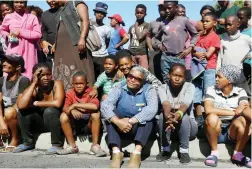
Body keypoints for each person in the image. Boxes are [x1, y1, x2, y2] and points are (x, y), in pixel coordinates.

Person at [101, 66, 158, 168]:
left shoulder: (149, 89)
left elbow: (152, 108)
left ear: (143, 81)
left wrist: (130, 121)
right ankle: (116, 152)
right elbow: (105, 105)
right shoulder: (119, 87)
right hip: (120, 128)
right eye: (130, 76)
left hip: (140, 128)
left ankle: (136, 154)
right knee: (110, 112)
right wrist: (118, 122)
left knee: (149, 117)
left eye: (137, 79)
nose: (132, 80)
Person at [204, 65, 251, 168]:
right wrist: (234, 112)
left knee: (244, 120)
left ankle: (238, 154)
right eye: (216, 76)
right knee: (212, 117)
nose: (216, 79)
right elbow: (208, 109)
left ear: (229, 80)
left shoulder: (240, 91)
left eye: (219, 77)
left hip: (232, 131)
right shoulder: (211, 89)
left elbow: (244, 108)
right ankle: (214, 153)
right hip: (215, 130)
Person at [14, 63, 65, 154]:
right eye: (42, 75)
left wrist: (37, 103)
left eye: (48, 75)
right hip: (41, 123)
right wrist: (34, 83)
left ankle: (56, 145)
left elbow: (57, 103)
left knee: (50, 110)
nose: (46, 78)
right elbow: (21, 105)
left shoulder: (57, 84)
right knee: (22, 112)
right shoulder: (34, 88)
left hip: (55, 123)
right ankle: (28, 142)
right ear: (35, 76)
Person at [57, 71, 106, 157]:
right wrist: (72, 110)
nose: (79, 86)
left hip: (89, 125)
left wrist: (75, 105)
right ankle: (72, 146)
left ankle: (95, 146)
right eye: (76, 84)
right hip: (75, 125)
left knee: (96, 114)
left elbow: (94, 106)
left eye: (81, 83)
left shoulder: (91, 92)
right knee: (63, 116)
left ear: (86, 83)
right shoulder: (70, 93)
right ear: (72, 84)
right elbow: (65, 107)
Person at [158, 63, 198, 164]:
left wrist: (177, 115)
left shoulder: (190, 86)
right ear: (169, 75)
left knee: (183, 115)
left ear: (184, 78)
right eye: (175, 75)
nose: (177, 78)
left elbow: (185, 104)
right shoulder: (162, 88)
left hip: (189, 129)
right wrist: (168, 116)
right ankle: (165, 149)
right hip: (168, 128)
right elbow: (165, 104)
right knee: (163, 115)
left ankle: (184, 151)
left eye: (180, 76)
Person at [53, 0, 95, 91]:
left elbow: (85, 21)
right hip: (61, 46)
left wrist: (82, 38)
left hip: (75, 43)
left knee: (79, 66)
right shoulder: (61, 9)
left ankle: (85, 97)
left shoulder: (77, 3)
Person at [156, 0, 198, 83]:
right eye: (165, 9)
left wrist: (190, 47)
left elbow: (195, 34)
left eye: (169, 8)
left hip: (179, 57)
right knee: (166, 80)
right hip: (165, 58)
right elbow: (156, 38)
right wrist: (159, 45)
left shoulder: (184, 20)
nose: (167, 10)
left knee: (179, 82)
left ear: (176, 8)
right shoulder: (163, 23)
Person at [0, 0, 42, 79]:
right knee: (11, 74)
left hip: (30, 50)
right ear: (13, 3)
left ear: (25, 3)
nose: (19, 4)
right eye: (16, 2)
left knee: (29, 76)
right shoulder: (8, 17)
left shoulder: (32, 17)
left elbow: (38, 34)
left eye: (21, 2)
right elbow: (2, 30)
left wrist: (20, 32)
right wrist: (7, 35)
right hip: (14, 49)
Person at [192, 13, 220, 126]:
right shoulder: (199, 36)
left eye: (207, 21)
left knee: (208, 94)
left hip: (209, 68)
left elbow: (208, 55)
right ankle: (199, 119)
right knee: (196, 92)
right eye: (203, 21)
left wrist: (197, 52)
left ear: (215, 22)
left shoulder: (215, 37)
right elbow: (193, 50)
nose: (204, 23)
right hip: (197, 68)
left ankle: (208, 119)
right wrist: (196, 52)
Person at [0, 54, 29, 152]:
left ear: (18, 67)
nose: (4, 63)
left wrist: (4, 120)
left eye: (8, 62)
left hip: (16, 115)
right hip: (3, 115)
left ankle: (16, 138)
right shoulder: (1, 80)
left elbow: (19, 104)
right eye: (4, 61)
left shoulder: (24, 81)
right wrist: (1, 121)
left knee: (9, 112)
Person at [146, 0, 166, 82]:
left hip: (168, 54)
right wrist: (151, 49)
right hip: (155, 53)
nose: (161, 9)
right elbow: (148, 36)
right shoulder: (153, 23)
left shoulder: (173, 22)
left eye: (163, 7)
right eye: (160, 7)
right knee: (154, 76)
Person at [92, 2, 111, 79]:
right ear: (94, 13)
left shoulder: (107, 29)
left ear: (105, 15)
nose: (99, 15)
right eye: (98, 12)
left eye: (102, 13)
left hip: (102, 57)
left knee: (102, 78)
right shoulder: (89, 25)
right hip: (91, 55)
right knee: (92, 77)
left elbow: (107, 42)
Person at [40, 0, 60, 68]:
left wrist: (58, 42)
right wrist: (44, 41)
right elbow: (44, 31)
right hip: (50, 53)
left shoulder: (65, 12)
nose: (50, 1)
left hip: (64, 50)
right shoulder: (44, 14)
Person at [128, 4, 149, 69]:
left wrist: (136, 24)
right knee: (133, 74)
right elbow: (131, 40)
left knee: (144, 75)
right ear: (135, 13)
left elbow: (140, 36)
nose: (139, 14)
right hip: (132, 54)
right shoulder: (131, 27)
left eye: (141, 13)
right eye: (137, 13)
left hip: (142, 54)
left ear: (145, 14)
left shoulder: (147, 25)